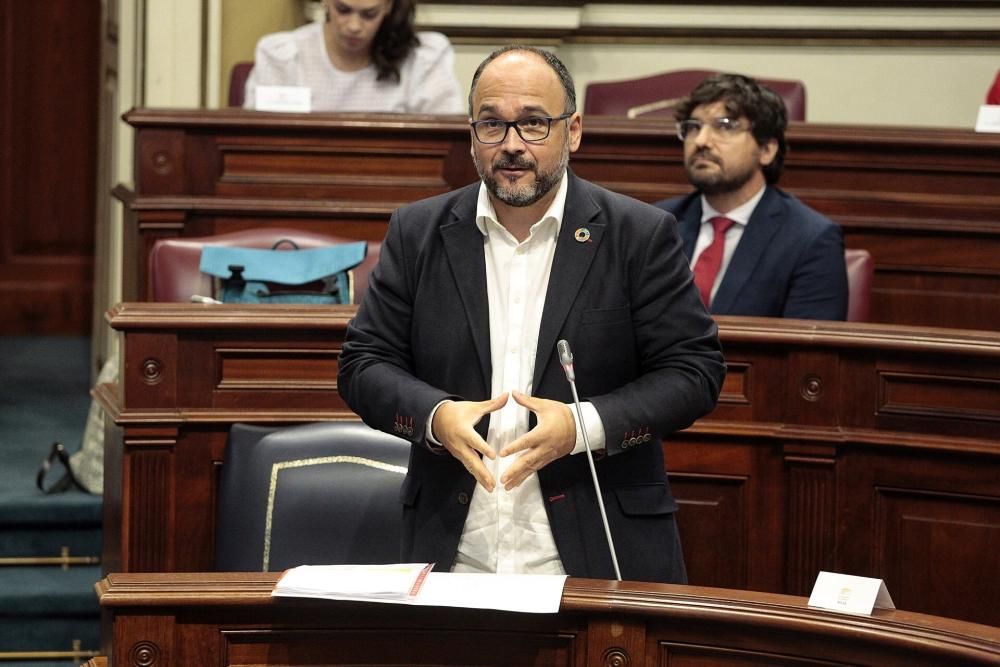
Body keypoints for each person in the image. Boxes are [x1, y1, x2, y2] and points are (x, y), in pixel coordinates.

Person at [337, 45, 725, 583]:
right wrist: (435, 417)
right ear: (472, 135)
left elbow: (694, 373)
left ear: (573, 131)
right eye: (492, 125)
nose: (512, 145)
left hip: (596, 549)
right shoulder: (418, 232)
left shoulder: (638, 234)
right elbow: (364, 363)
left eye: (534, 124)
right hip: (454, 553)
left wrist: (581, 426)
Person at [655, 73, 848, 320]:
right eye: (693, 127)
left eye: (724, 126)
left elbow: (810, 354)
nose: (701, 141)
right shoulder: (658, 223)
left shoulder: (810, 239)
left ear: (766, 150)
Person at [244, 0, 463, 113]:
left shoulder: (423, 57)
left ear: (388, 6)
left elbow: (442, 144)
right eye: (343, 10)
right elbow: (258, 141)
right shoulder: (282, 55)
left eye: (369, 14)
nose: (354, 26)